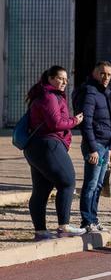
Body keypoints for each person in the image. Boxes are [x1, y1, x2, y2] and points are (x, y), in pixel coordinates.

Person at [23, 66, 86, 240]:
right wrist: (75, 120)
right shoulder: (49, 96)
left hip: (37, 147)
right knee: (67, 181)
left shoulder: (44, 95)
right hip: (48, 144)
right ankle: (63, 226)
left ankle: (41, 231)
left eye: (66, 80)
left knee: (41, 190)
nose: (64, 82)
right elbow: (55, 123)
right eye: (60, 78)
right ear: (50, 79)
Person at [78, 61, 111, 232]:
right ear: (94, 73)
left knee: (99, 184)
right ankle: (87, 221)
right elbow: (87, 123)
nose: (106, 77)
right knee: (91, 184)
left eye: (108, 74)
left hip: (105, 146)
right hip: (96, 146)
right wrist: (92, 148)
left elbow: (109, 122)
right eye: (102, 73)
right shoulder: (91, 92)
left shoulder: (104, 92)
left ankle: (94, 218)